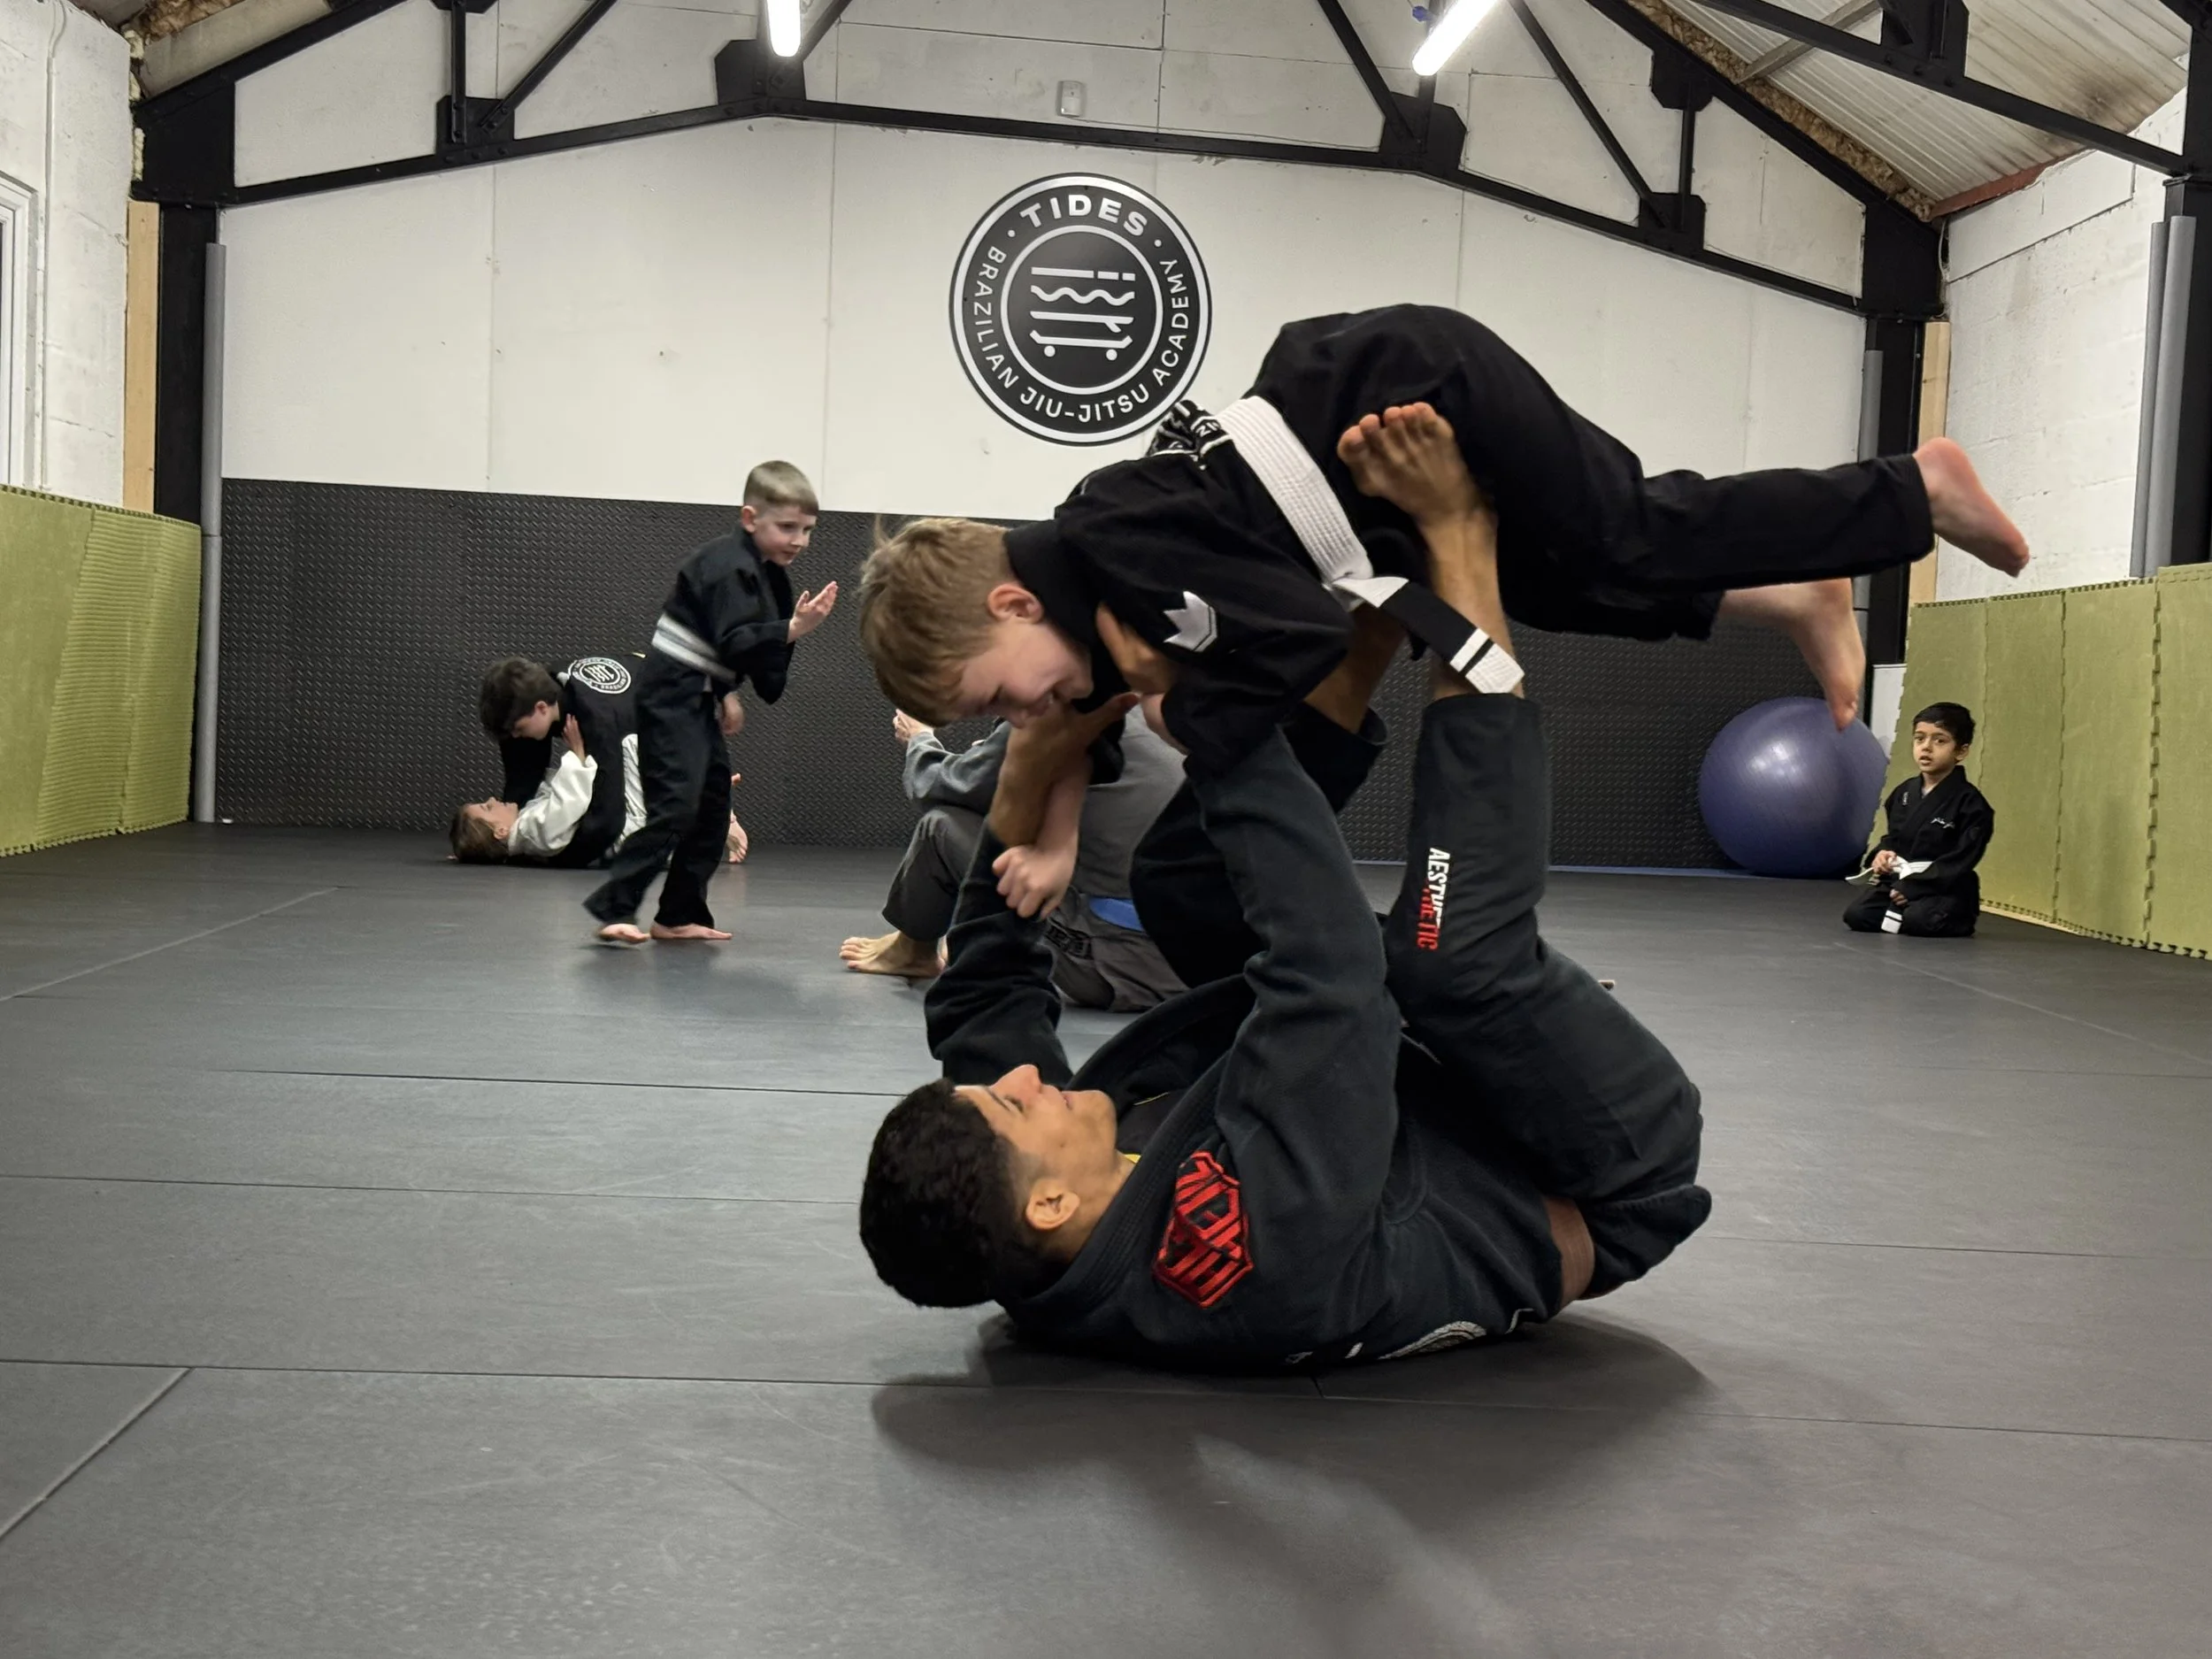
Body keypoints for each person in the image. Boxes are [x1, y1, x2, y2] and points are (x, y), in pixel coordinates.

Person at [857, 410, 1709, 1371]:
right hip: (1587, 1165)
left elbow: (980, 1001)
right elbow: (1333, 969)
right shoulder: (1243, 1255)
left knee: (1179, 883)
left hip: (1411, 1110)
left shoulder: (1024, 1215)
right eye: (1015, 1104)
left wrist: (1027, 770)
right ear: (1048, 1203)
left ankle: (1375, 606)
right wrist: (1215, 722)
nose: (1024, 1081)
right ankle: (1457, 542)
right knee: (1448, 957)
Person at [857, 304, 2029, 902]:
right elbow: (1105, 714)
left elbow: (1309, 632)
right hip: (1363, 483)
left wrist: (1186, 710)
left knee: (1623, 524)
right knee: (1572, 579)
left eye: (997, 696)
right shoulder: (1105, 600)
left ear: (1015, 602)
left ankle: (1909, 489)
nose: (1027, 713)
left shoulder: (1112, 544)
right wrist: (1091, 775)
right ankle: (1797, 595)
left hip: (1410, 383)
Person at [584, 461, 837, 945]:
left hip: (698, 692)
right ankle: (614, 907)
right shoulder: (725, 563)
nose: (799, 540)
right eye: (787, 527)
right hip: (670, 692)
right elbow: (733, 637)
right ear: (749, 518)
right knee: (677, 803)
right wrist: (791, 629)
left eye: (807, 530)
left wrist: (728, 691)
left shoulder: (770, 577)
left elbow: (744, 659)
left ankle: (677, 915)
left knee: (714, 802)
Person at [839, 707, 1187, 1011]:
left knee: (943, 827)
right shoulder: (1148, 708)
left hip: (1120, 971)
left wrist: (920, 739)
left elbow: (935, 784)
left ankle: (913, 951)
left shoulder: (1049, 714)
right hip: (1198, 966)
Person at [1845, 703, 1993, 938]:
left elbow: (1960, 861)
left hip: (1944, 888)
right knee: (1858, 915)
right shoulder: (1903, 794)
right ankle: (1905, 906)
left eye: (1939, 741)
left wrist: (1915, 887)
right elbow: (1893, 838)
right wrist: (1882, 855)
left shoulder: (1971, 805)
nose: (1926, 748)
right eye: (1920, 739)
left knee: (1920, 921)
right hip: (1898, 882)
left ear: (1961, 751)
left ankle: (1960, 915)